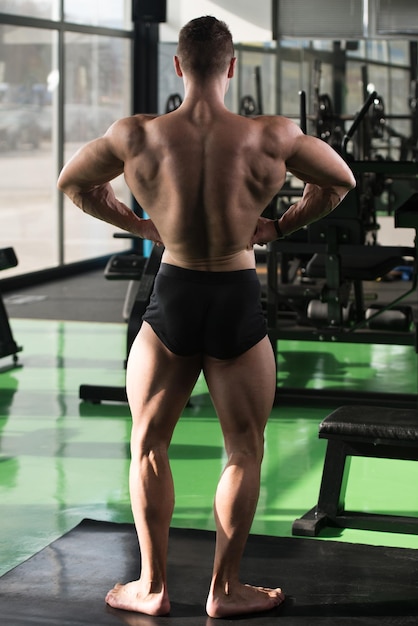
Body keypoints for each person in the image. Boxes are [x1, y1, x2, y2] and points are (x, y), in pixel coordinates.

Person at [57, 15, 356, 619]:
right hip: (236, 293)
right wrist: (279, 225)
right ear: (231, 67)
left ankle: (153, 588)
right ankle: (224, 591)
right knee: (243, 450)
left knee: (148, 445)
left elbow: (75, 184)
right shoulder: (272, 135)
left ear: (176, 65)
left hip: (175, 291)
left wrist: (138, 223)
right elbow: (340, 181)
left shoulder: (136, 135)